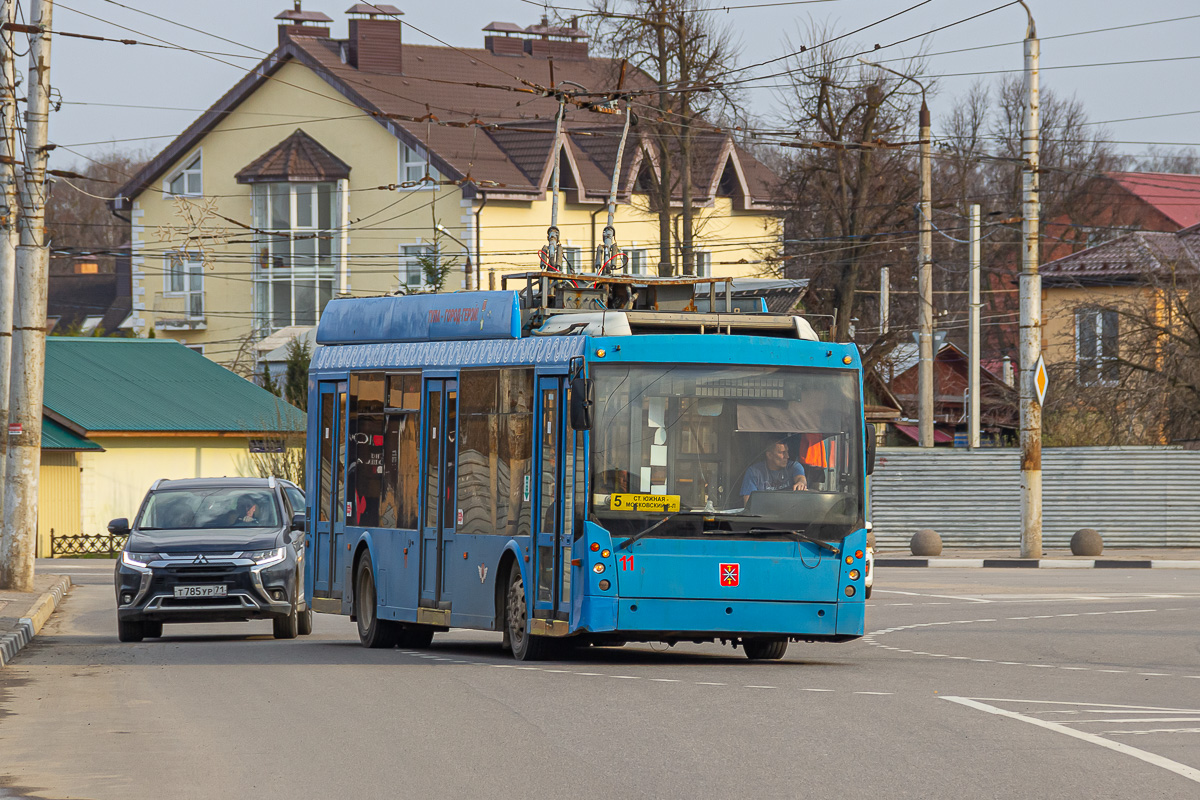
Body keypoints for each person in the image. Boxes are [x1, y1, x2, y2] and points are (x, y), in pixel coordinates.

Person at [741, 440, 807, 505]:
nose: (787, 456)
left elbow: (800, 478)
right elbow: (748, 504)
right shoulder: (754, 472)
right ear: (769, 455)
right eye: (782, 452)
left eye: (787, 452)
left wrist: (801, 483)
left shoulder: (794, 467)